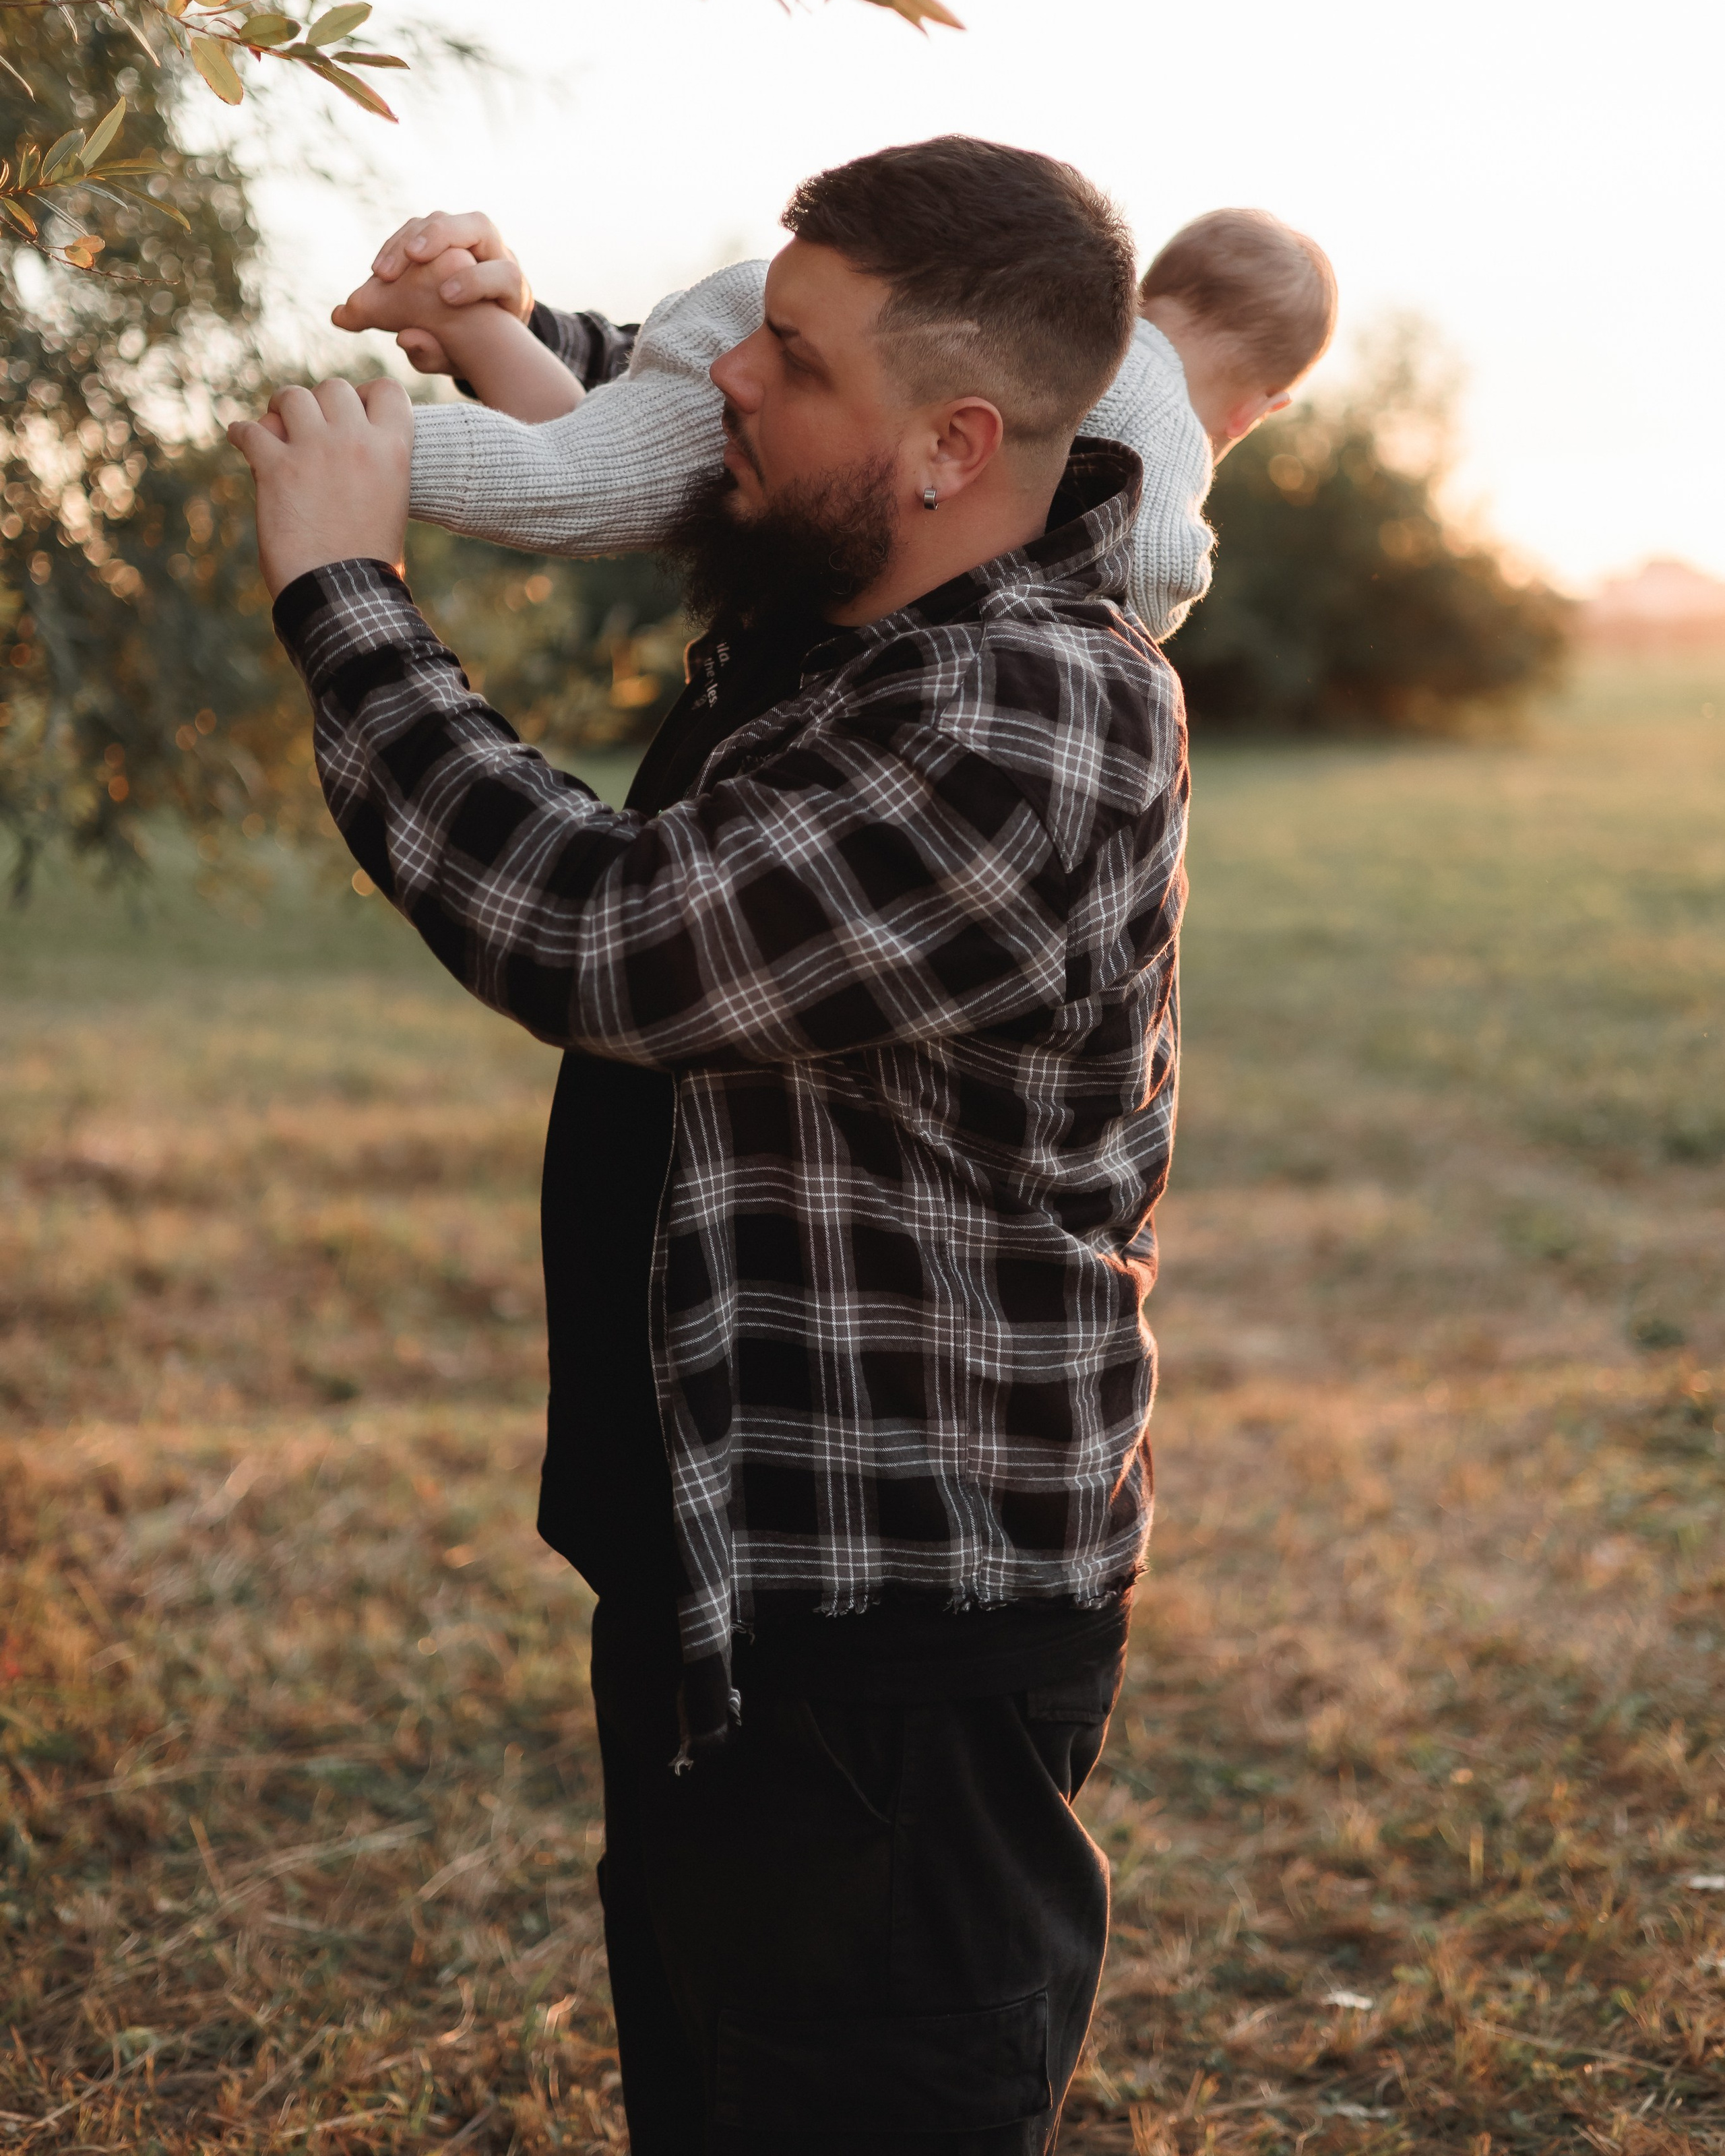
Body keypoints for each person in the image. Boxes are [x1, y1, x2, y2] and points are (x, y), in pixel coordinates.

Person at [224, 137, 1284, 2155]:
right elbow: (662, 411)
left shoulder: (1032, 710)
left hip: (893, 1637)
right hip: (734, 1576)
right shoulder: (850, 610)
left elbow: (611, 937)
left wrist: (349, 596)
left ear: (952, 444)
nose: (733, 378)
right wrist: (492, 328)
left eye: (791, 356)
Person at [327, 201, 1338, 645]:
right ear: (1259, 411)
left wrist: (537, 330)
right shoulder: (1154, 398)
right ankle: (349, 452)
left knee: (596, 461)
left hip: (761, 310)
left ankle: (461, 321)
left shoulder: (1029, 314)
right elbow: (1153, 563)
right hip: (803, 351)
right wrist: (1163, 604)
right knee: (579, 483)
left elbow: (640, 395)